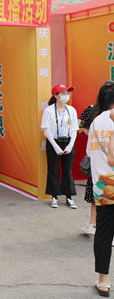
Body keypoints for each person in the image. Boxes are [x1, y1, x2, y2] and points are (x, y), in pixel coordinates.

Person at [86, 81, 114, 296]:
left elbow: (90, 153)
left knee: (103, 233)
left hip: (102, 185)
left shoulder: (96, 121)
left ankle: (103, 281)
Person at [41, 83, 79, 209]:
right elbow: (46, 130)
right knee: (53, 170)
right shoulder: (49, 110)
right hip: (54, 142)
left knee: (67, 171)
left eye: (67, 93)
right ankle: (54, 197)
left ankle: (69, 197)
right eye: (63, 93)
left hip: (68, 142)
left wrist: (70, 145)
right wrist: (56, 147)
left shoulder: (71, 110)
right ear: (56, 96)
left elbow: (74, 129)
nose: (66, 95)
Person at [79, 105, 97, 236]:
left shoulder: (92, 110)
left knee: (96, 195)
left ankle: (92, 223)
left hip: (96, 160)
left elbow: (85, 130)